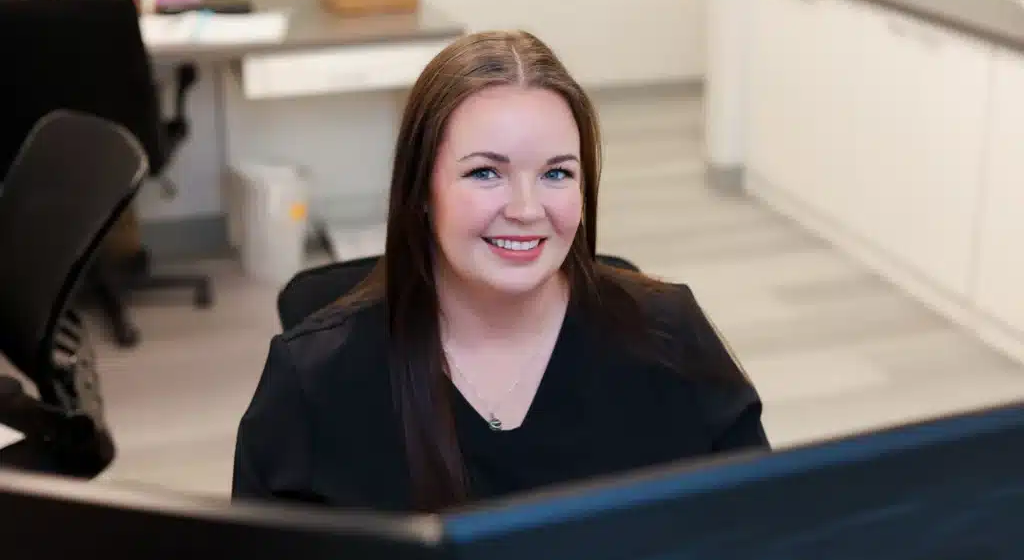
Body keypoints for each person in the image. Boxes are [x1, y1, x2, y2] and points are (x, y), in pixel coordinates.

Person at [231, 30, 769, 513]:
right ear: (421, 190)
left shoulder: (672, 338)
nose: (526, 208)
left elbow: (770, 530)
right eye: (486, 172)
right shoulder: (315, 381)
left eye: (557, 173)